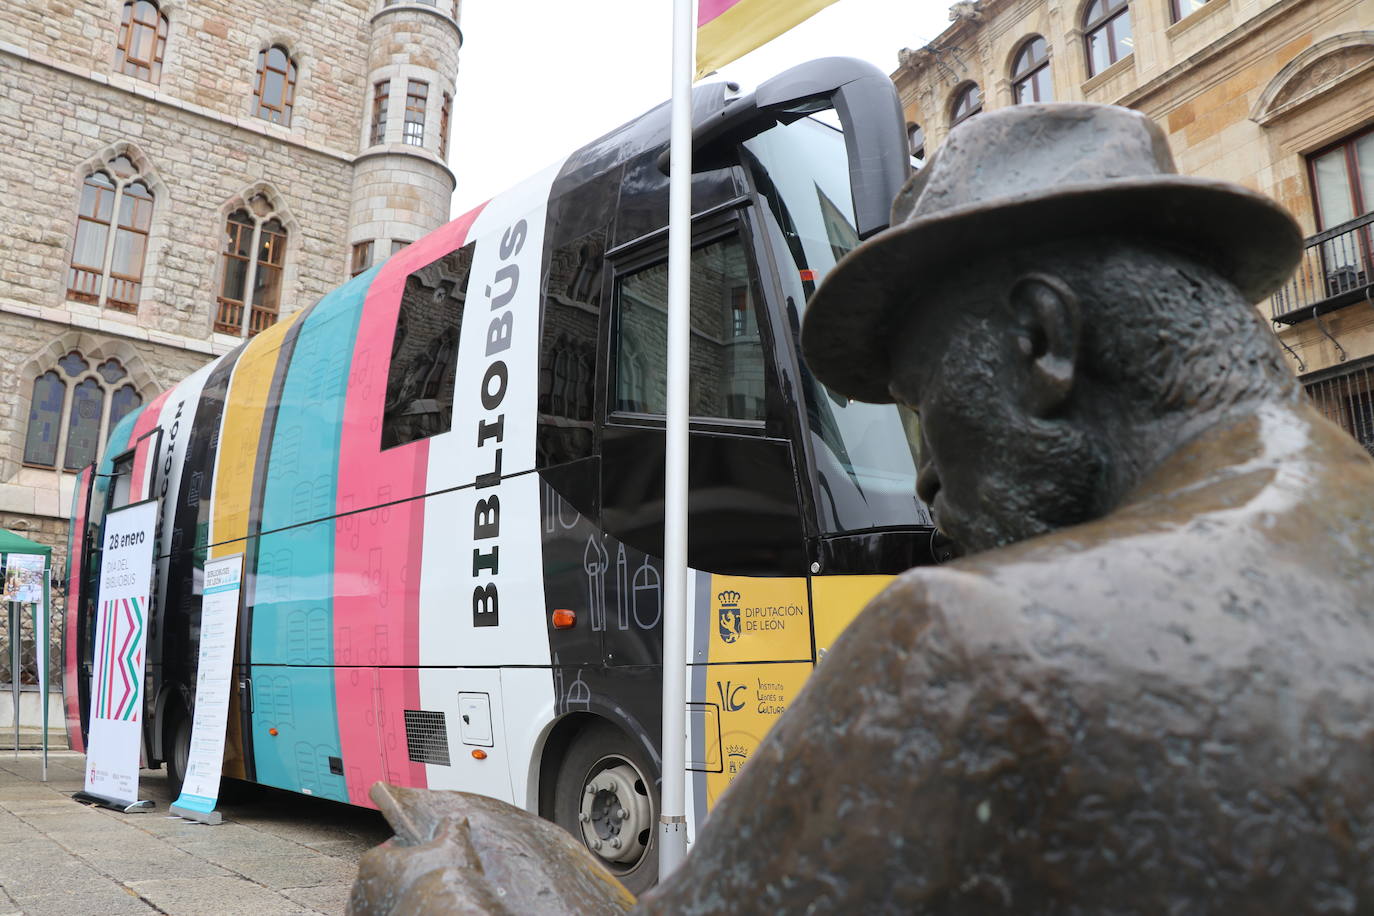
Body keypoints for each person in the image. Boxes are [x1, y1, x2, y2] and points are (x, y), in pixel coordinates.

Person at [350, 104, 1374, 914]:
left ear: (1041, 341)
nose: (924, 486)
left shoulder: (978, 642)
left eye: (923, 413)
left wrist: (429, 893)